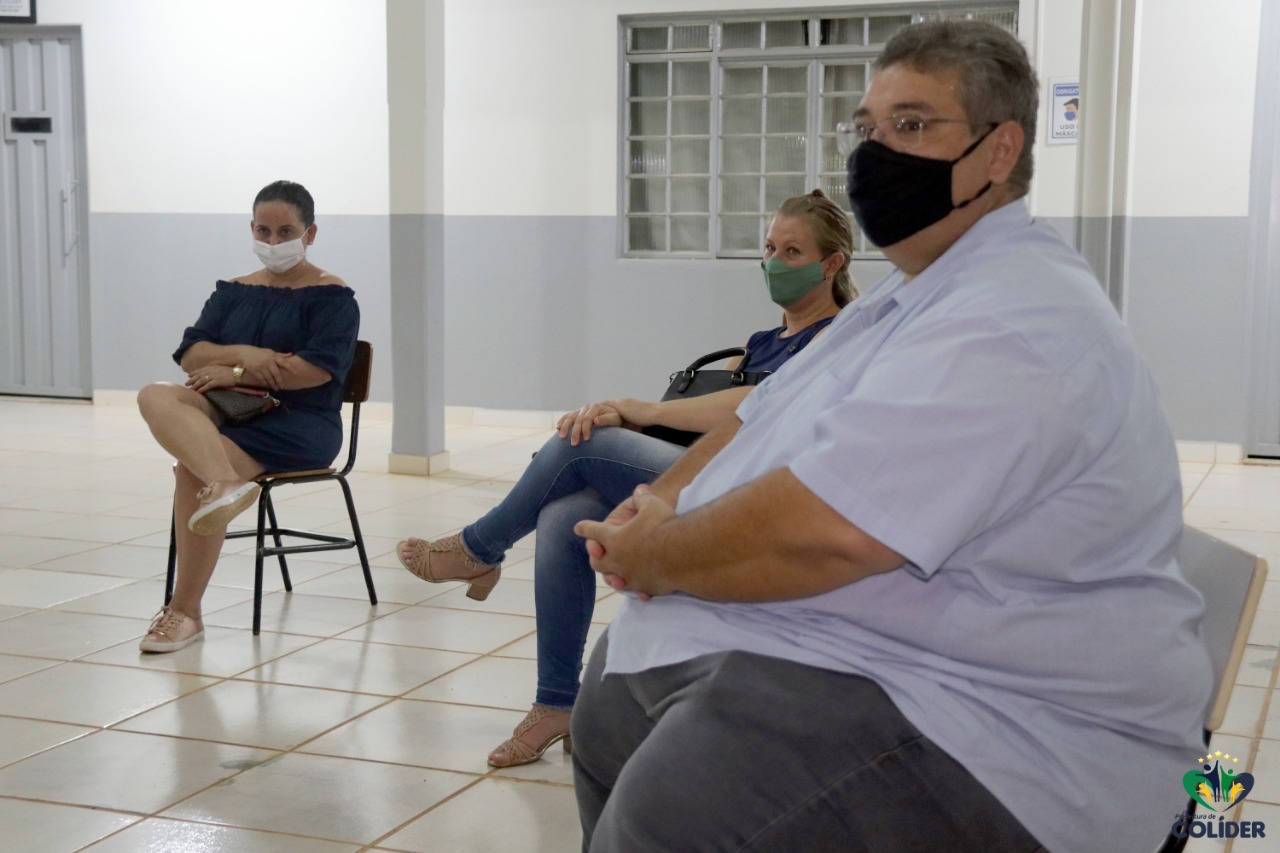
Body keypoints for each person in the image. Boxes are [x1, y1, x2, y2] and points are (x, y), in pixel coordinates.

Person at [570, 20, 1212, 853]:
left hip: (1005, 723)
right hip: (883, 647)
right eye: (868, 128)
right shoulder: (905, 294)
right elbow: (761, 414)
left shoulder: (1017, 320)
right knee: (610, 701)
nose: (876, 153)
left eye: (911, 125)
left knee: (678, 809)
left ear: (998, 150)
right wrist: (659, 500)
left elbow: (828, 533)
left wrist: (657, 555)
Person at [395, 191, 857, 767]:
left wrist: (643, 409)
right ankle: (556, 702)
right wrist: (629, 415)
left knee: (578, 444)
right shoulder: (762, 342)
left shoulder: (838, 335)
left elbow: (755, 409)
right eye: (768, 248)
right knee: (564, 516)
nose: (774, 263)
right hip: (705, 468)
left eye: (792, 252)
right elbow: (714, 423)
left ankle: (477, 549)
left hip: (753, 491)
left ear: (832, 264)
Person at [135, 180, 360, 653]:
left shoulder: (332, 297)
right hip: (228, 409)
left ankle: (184, 612)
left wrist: (232, 370)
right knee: (155, 394)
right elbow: (191, 354)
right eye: (263, 231)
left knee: (189, 469)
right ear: (252, 229)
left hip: (297, 422)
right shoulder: (233, 290)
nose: (273, 242)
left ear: (310, 233)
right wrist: (246, 356)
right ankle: (224, 484)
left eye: (286, 232)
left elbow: (312, 372)